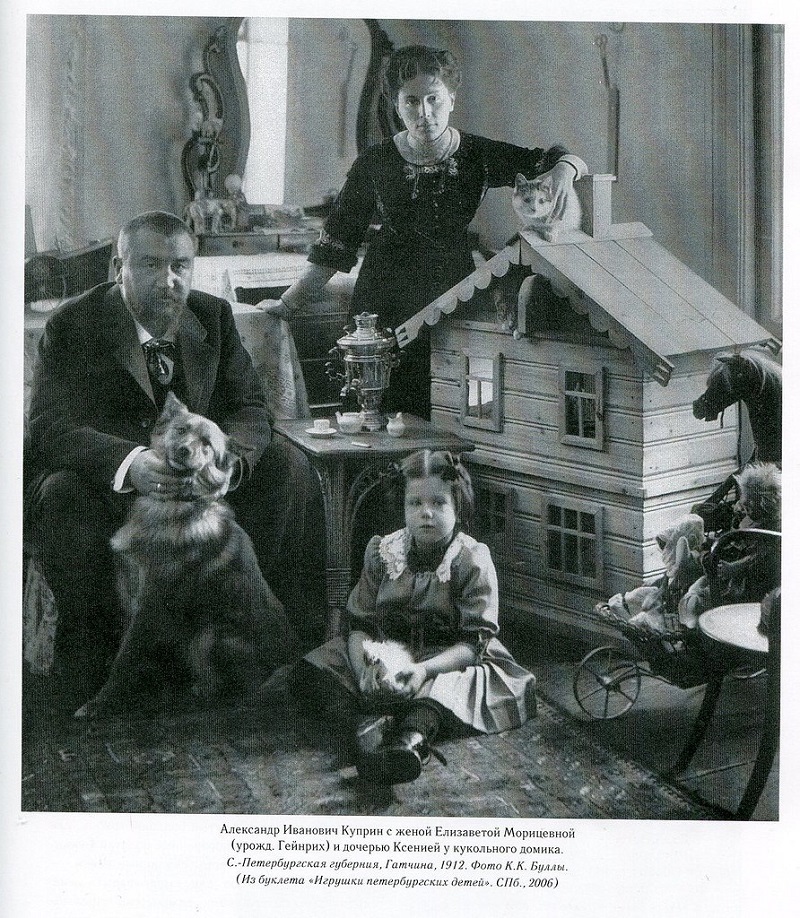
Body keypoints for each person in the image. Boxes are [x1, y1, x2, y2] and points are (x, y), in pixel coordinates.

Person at [24, 211, 321, 710]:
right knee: (59, 494)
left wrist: (226, 465)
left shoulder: (212, 316)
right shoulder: (74, 324)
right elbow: (50, 427)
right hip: (109, 491)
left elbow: (250, 408)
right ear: (118, 268)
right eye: (151, 265)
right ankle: (99, 667)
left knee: (288, 466)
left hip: (200, 494)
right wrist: (130, 463)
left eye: (181, 265)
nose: (169, 280)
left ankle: (246, 647)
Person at [259, 45, 587, 419]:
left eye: (433, 99)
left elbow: (556, 158)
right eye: (411, 102)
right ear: (396, 106)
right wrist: (288, 305)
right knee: (375, 412)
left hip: (453, 293)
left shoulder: (477, 154)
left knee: (447, 407)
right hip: (383, 298)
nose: (424, 113)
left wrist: (565, 172)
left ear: (452, 99)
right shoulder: (374, 162)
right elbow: (335, 243)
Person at [302, 449, 536, 785]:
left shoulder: (470, 559)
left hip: (446, 660)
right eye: (415, 503)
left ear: (458, 508)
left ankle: (409, 740)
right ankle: (363, 731)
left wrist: (423, 670)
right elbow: (360, 625)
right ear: (403, 507)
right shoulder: (383, 551)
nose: (426, 513)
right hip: (387, 652)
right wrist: (363, 671)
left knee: (449, 691)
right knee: (313, 673)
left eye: (439, 503)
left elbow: (472, 644)